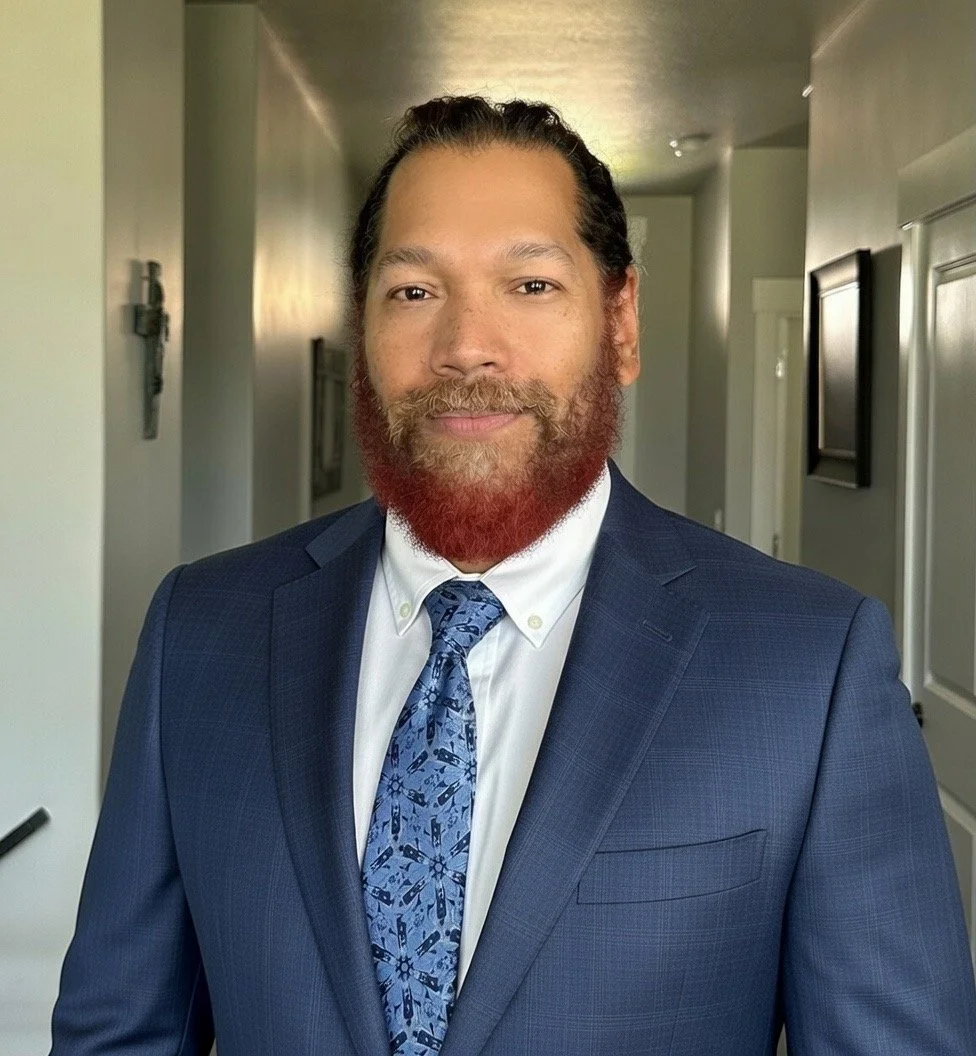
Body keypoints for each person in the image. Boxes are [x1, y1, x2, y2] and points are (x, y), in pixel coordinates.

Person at [51, 96, 975, 1056]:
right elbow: (120, 1031)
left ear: (621, 323)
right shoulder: (202, 632)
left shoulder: (809, 667)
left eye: (531, 285)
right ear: (362, 330)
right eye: (414, 291)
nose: (466, 346)